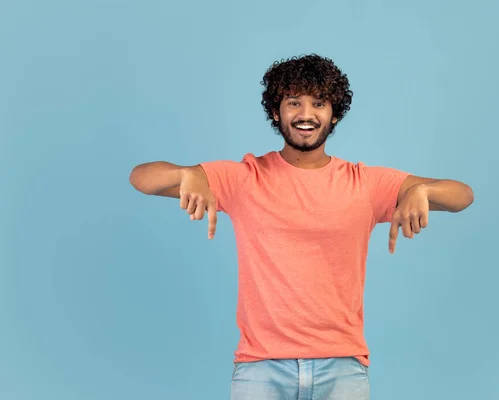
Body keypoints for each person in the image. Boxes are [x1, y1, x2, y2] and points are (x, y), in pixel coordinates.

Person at [129, 54, 474, 400]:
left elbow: (462, 195)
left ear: (334, 114)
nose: (305, 114)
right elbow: (141, 177)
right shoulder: (245, 178)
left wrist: (421, 190)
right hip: (260, 367)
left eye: (318, 103)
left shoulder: (364, 183)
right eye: (293, 102)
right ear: (276, 112)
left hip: (342, 366)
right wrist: (185, 174)